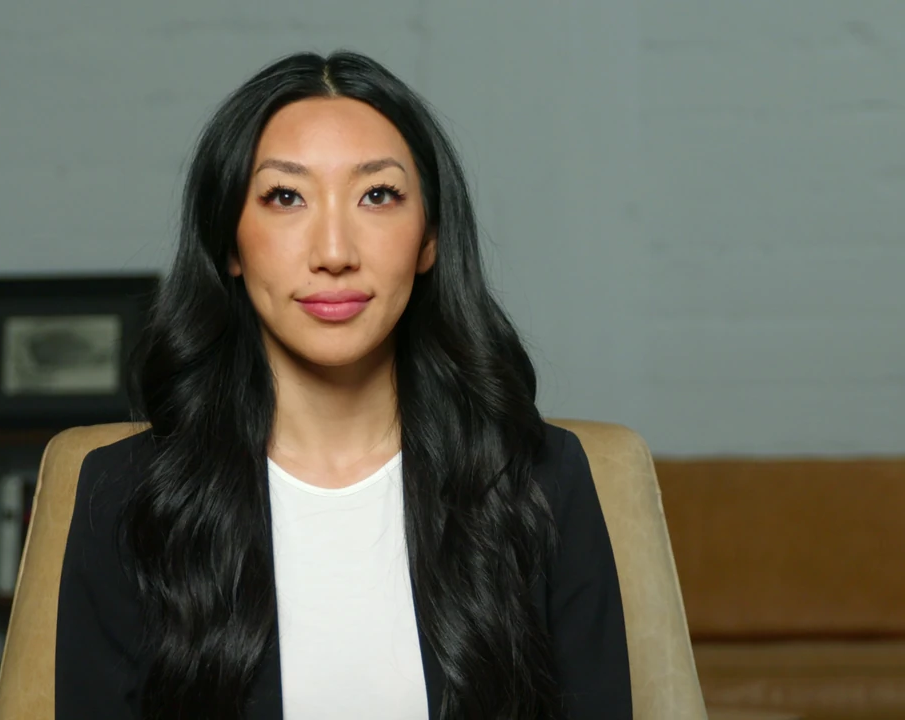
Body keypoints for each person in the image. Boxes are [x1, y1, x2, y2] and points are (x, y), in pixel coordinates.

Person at [56, 50, 631, 719]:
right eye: (285, 197)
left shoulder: (541, 480)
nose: (334, 252)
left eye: (377, 195)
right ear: (230, 244)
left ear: (429, 238)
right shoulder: (126, 495)